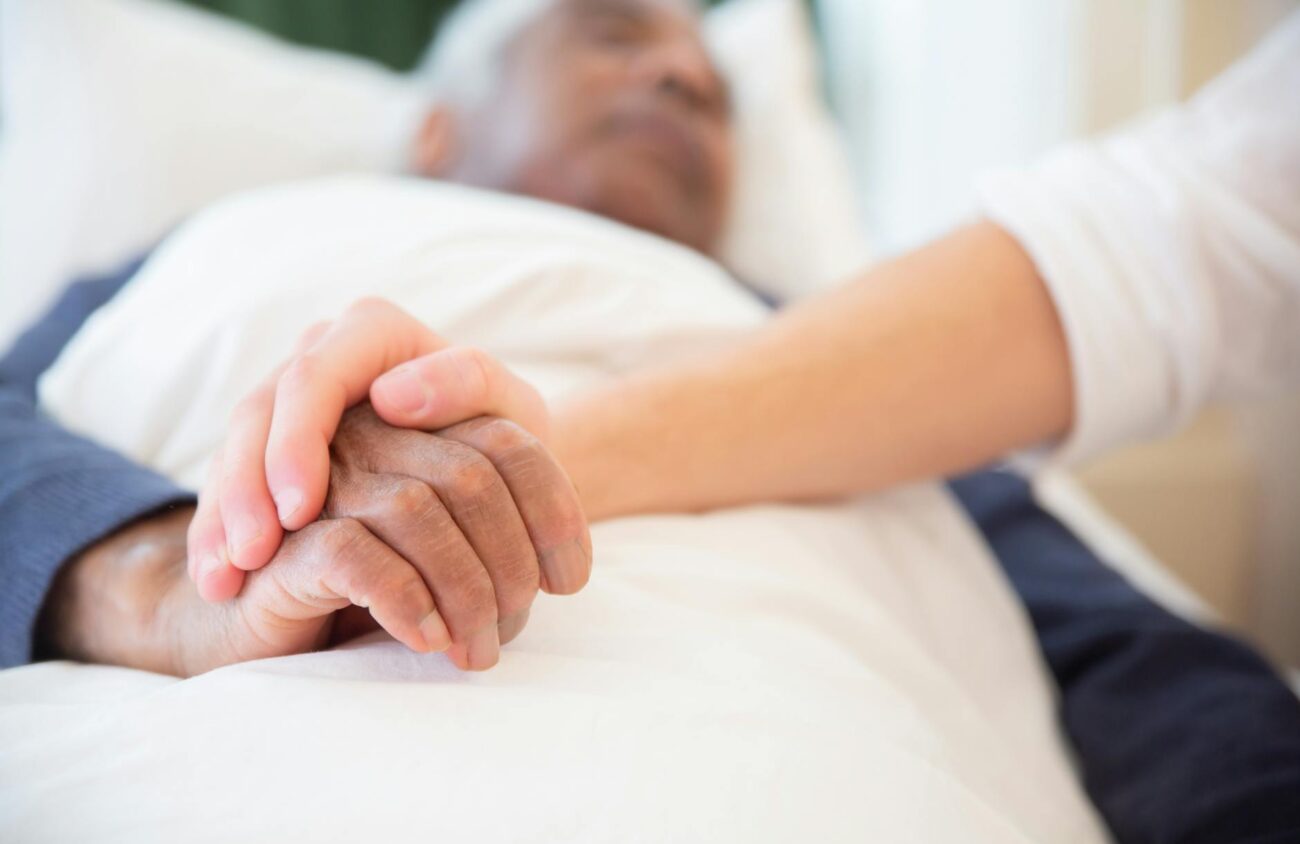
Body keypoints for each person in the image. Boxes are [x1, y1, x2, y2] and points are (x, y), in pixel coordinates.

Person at [1, 0, 1297, 841]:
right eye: (613, 35)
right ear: (439, 131)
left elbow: (1132, 665)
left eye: (714, 85)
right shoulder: (207, 253)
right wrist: (166, 576)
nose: (684, 69)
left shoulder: (837, 357)